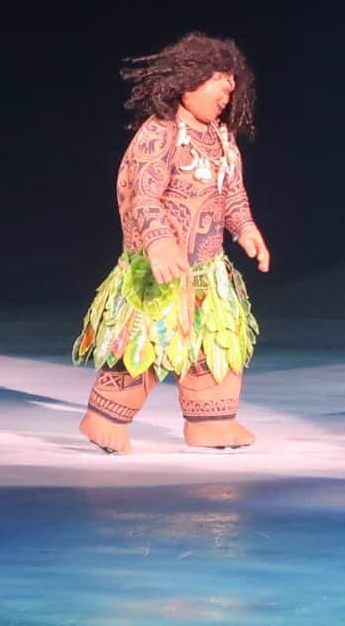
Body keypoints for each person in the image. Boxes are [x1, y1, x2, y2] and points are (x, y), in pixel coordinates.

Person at [72, 32, 271, 454]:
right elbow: (139, 194)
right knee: (144, 345)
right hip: (158, 270)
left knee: (217, 345)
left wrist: (246, 229)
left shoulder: (221, 138)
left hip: (208, 270)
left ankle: (211, 421)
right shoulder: (160, 133)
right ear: (187, 80)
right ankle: (104, 416)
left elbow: (232, 193)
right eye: (219, 79)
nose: (228, 90)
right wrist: (159, 243)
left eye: (232, 82)